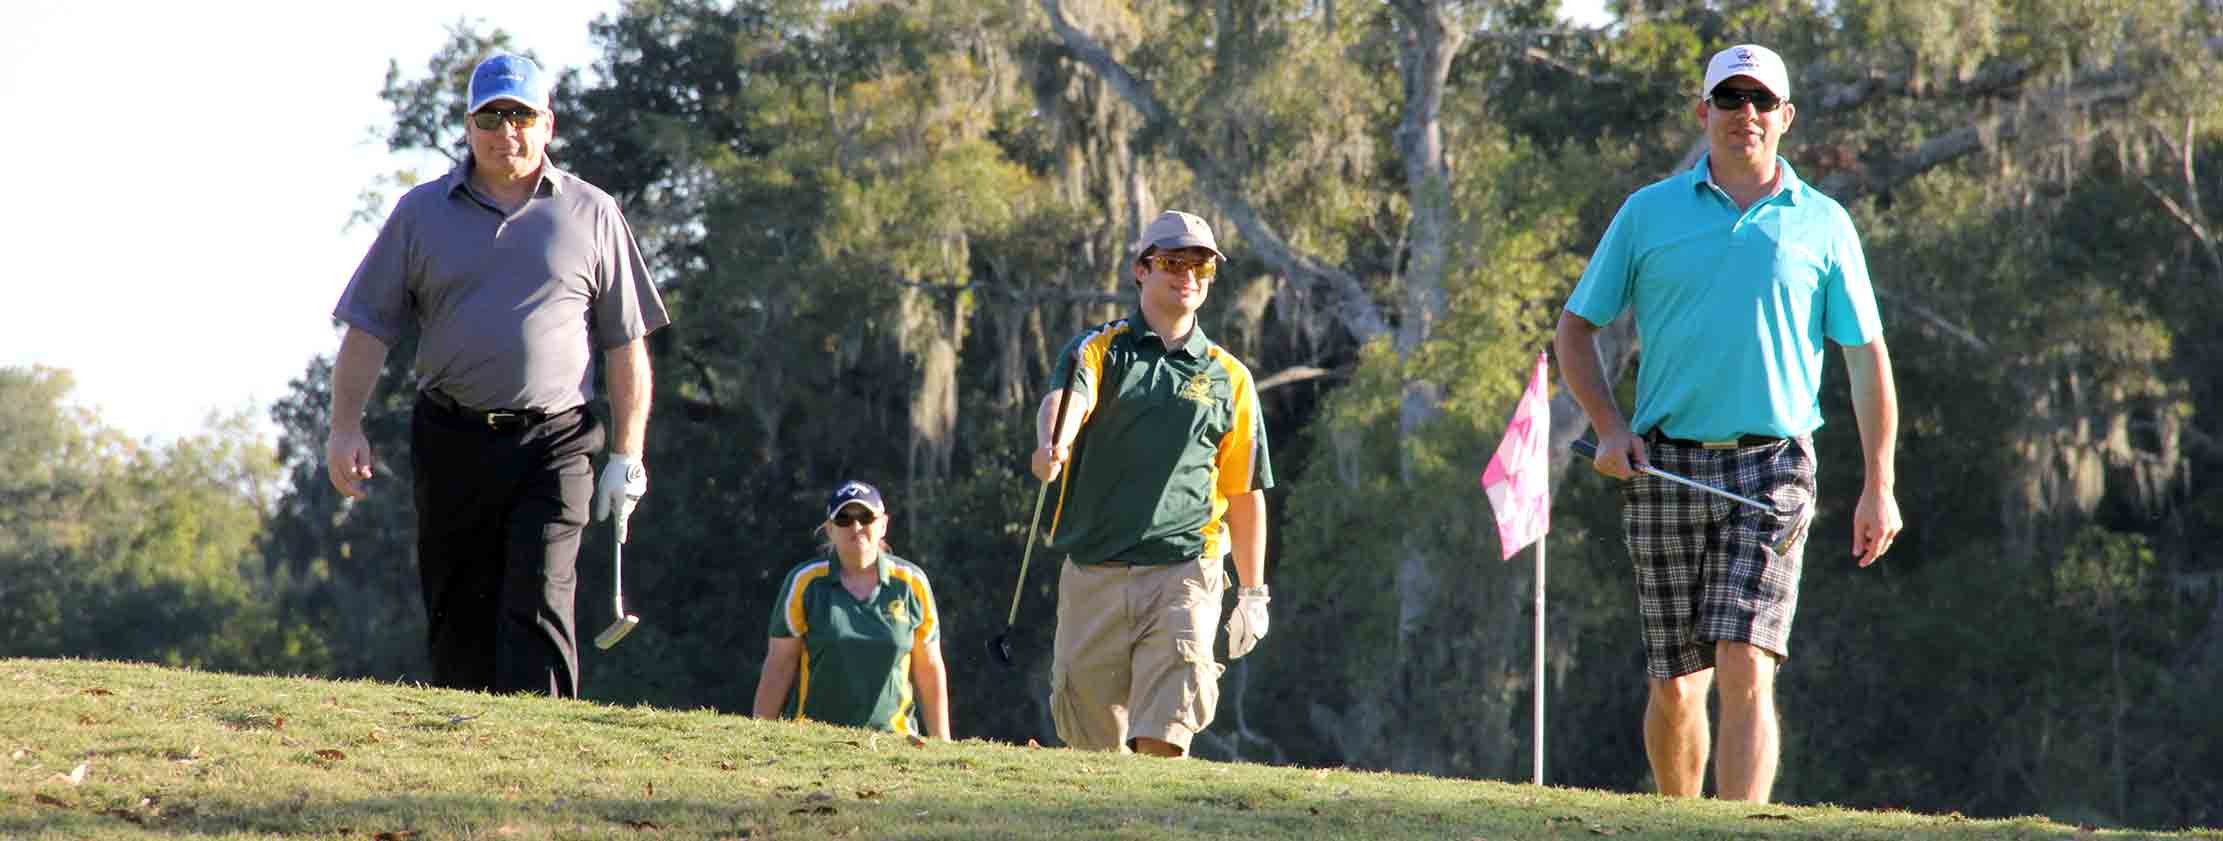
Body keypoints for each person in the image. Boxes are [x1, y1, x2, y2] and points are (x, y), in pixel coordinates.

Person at [1553, 44, 1903, 802]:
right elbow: (1575, 329)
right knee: (1677, 684)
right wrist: (1610, 429)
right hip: (1662, 463)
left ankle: (1739, 823)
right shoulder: (1648, 212)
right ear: (1702, 111)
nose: (1743, 114)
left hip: (1772, 468)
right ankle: (1679, 819)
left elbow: (1865, 355)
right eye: (1728, 98)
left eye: (1758, 101)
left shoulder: (1823, 223)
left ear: (1784, 117)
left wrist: (1881, 484)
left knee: (1745, 662)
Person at [325, 53, 670, 698]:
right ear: (468, 124)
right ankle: (466, 759)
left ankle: (543, 755)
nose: (505, 130)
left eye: (519, 115)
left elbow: (626, 344)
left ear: (547, 124)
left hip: (557, 441)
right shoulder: (420, 213)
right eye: (491, 116)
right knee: (460, 611)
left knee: (539, 594)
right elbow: (369, 328)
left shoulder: (592, 213)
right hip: (451, 436)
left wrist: (628, 454)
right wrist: (345, 427)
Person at [1028, 210, 1274, 757]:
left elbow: (1245, 492)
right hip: (1095, 569)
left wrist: (1253, 594)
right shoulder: (1100, 347)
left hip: (1186, 569)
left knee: (1164, 731)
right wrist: (1055, 442)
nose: (1187, 274)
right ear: (1141, 270)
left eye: (1201, 265)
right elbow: (1068, 399)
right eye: (1171, 262)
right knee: (1092, 742)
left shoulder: (1228, 376)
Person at [752, 481, 951, 740]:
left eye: (865, 517)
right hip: (812, 740)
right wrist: (757, 736)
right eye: (844, 519)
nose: (856, 527)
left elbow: (929, 667)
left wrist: (942, 742)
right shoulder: (804, 582)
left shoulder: (911, 583)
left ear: (883, 525)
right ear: (830, 530)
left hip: (895, 742)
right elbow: (779, 664)